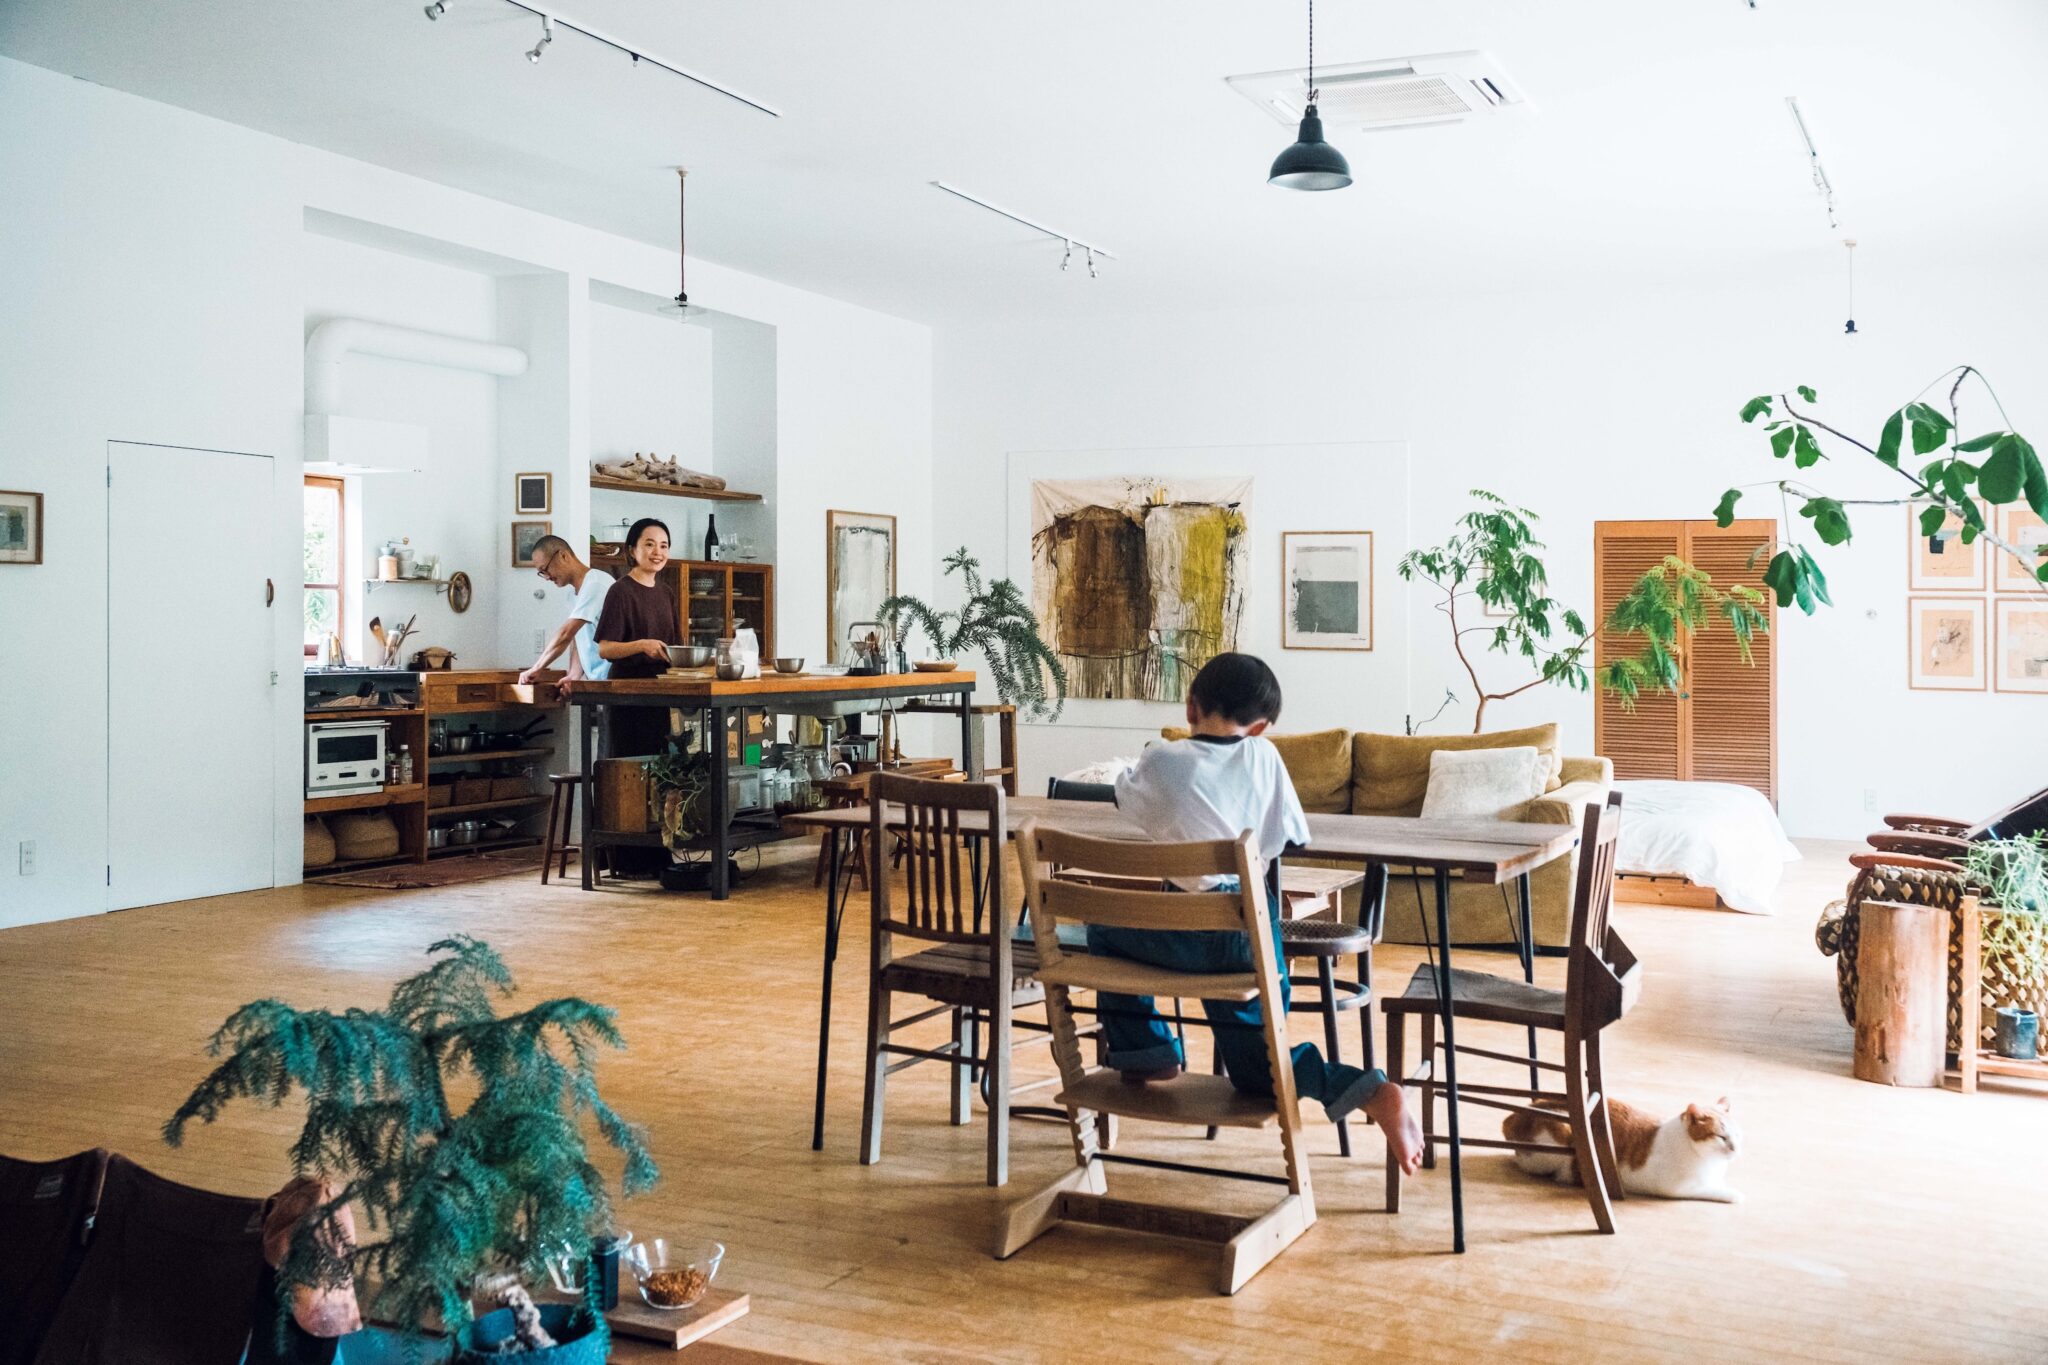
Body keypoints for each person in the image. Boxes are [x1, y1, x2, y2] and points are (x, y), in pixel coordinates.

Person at [1104, 651, 1425, 1174]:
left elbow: (1125, 796)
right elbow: (1291, 836)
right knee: (1261, 1073)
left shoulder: (1163, 759)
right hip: (1253, 936)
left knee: (1099, 932)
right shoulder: (1265, 757)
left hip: (1187, 934)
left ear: (1191, 706)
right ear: (1259, 726)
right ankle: (1369, 1090)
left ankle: (1149, 1051)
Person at [591, 517, 683, 876]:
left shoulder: (666, 592)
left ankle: (657, 857)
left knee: (659, 776)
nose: (657, 552)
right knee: (626, 778)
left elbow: (673, 645)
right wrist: (640, 645)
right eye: (649, 544)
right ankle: (622, 860)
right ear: (632, 550)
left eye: (663, 545)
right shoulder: (620, 591)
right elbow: (606, 649)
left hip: (657, 697)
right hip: (627, 700)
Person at [519, 535, 612, 692]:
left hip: (614, 679)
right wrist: (573, 674)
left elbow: (566, 634)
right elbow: (579, 637)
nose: (547, 577)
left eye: (545, 569)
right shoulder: (572, 594)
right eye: (541, 573)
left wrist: (536, 668)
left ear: (563, 555)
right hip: (596, 681)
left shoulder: (596, 584)